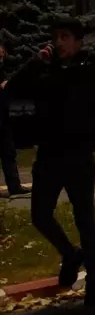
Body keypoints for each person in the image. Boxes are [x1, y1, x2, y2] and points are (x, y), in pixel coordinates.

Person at [1, 19, 95, 315]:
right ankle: (71, 255)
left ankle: (94, 281)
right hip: (48, 155)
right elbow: (9, 91)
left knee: (85, 218)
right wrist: (34, 63)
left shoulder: (94, 71)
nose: (59, 43)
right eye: (56, 37)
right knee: (39, 215)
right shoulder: (44, 69)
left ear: (78, 41)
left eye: (65, 37)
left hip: (79, 156)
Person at [0, 40, 29, 197]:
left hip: (3, 119)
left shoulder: (2, 70)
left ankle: (14, 186)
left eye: (2, 54)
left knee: (8, 152)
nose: (1, 57)